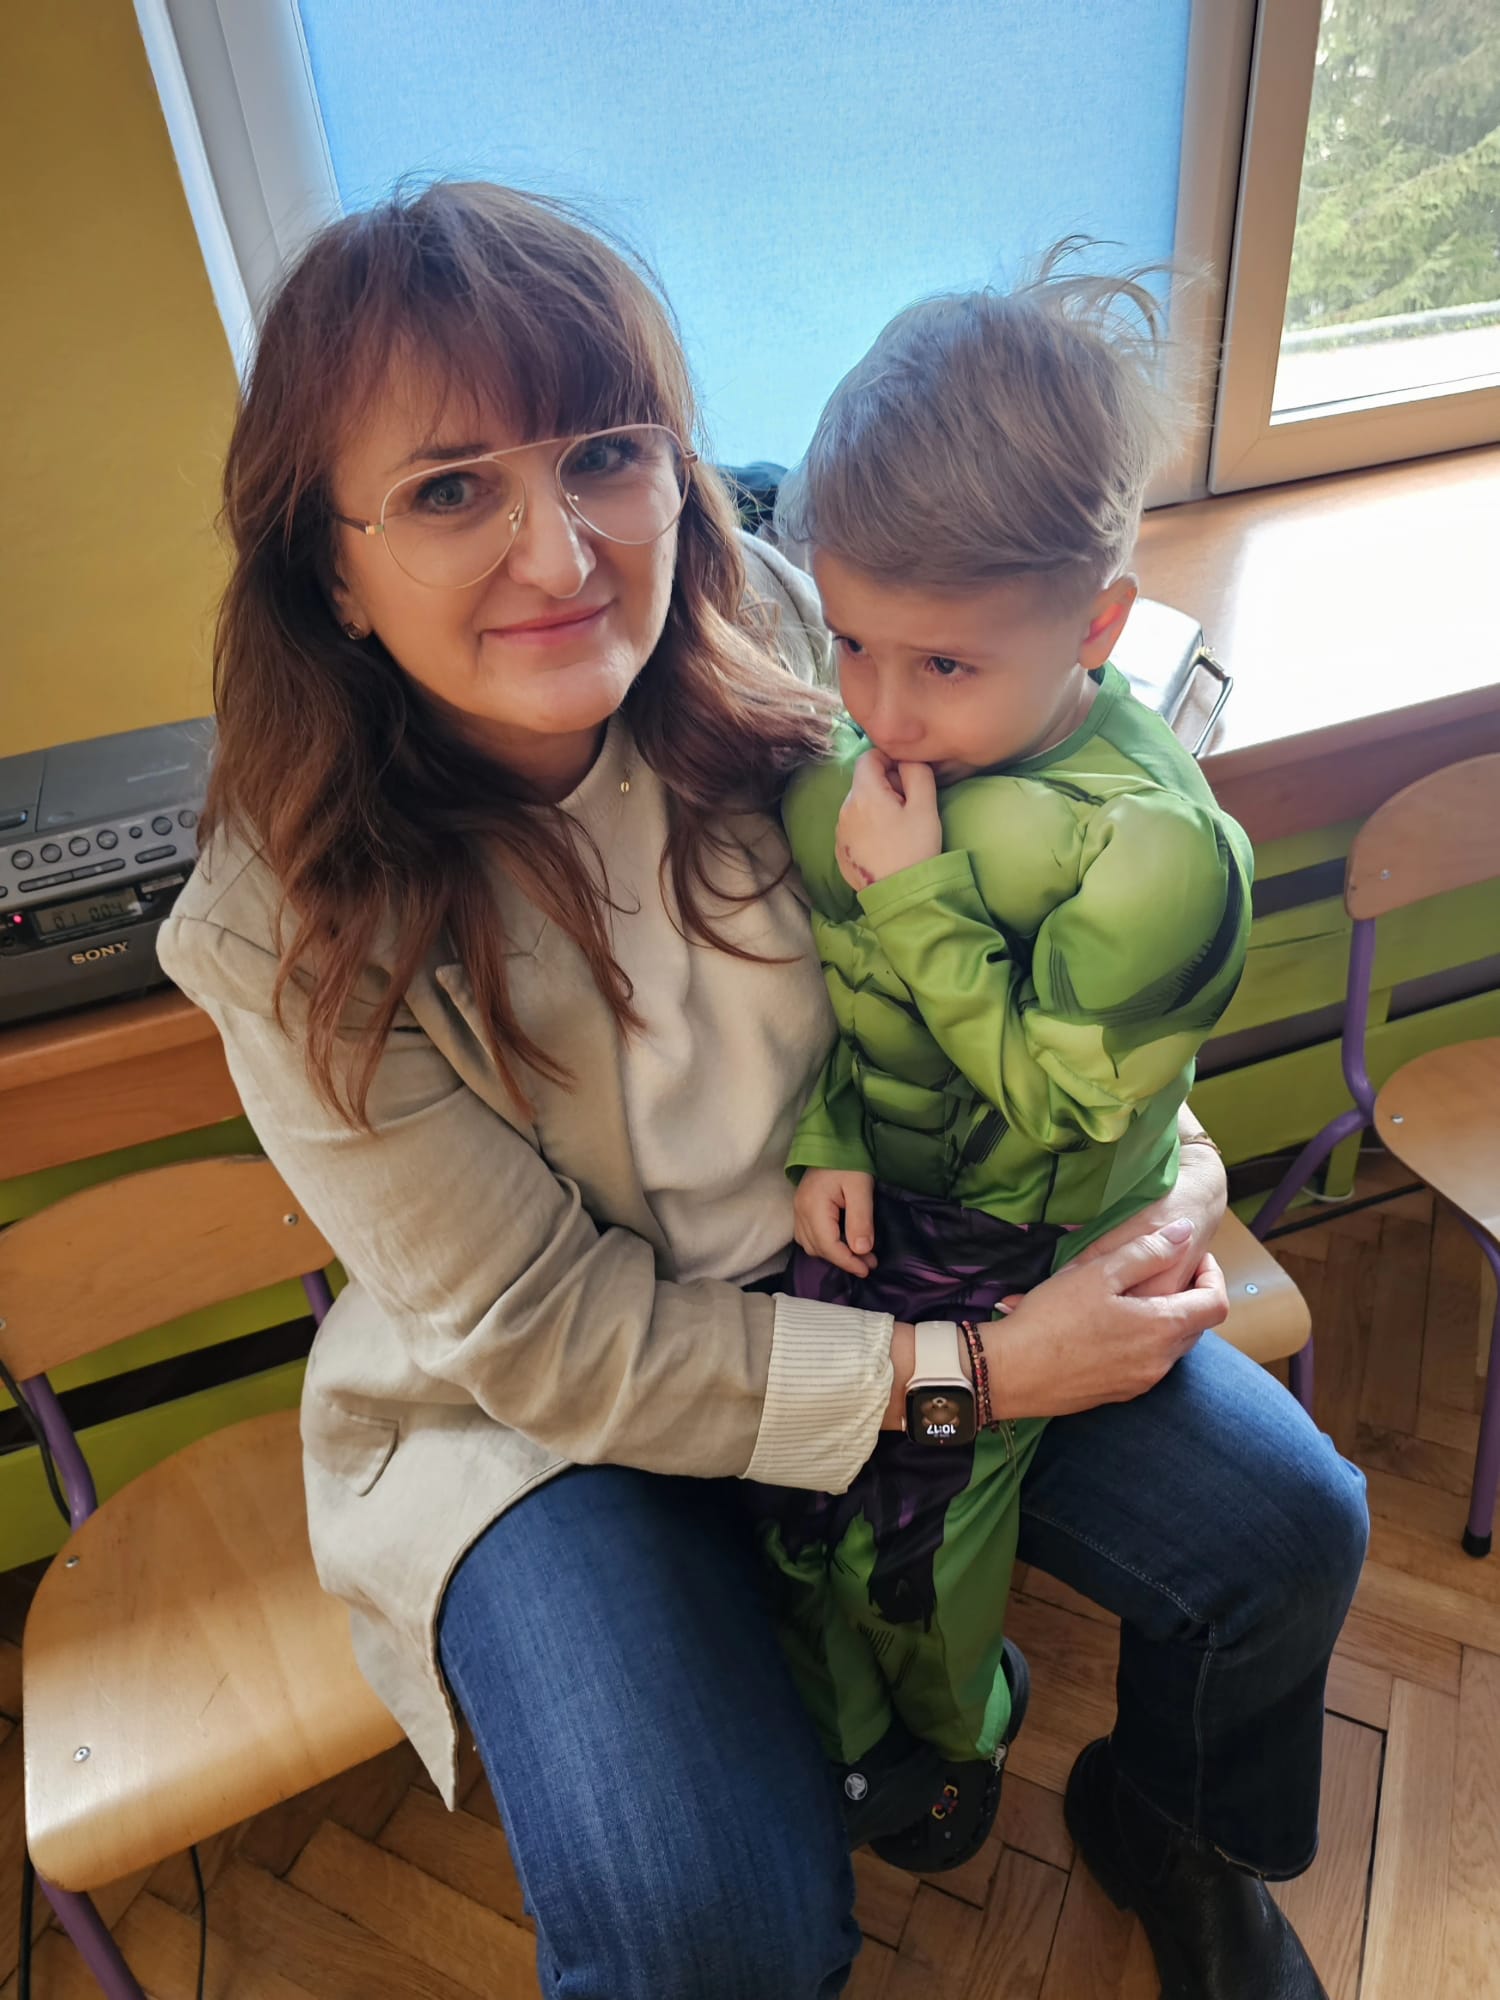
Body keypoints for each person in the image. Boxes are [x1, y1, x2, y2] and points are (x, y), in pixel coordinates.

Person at [157, 182, 1366, 2000]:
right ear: (328, 565)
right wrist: (975, 1378)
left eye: (605, 455)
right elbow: (548, 1341)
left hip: (911, 1252)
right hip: (549, 1422)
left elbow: (1053, 932)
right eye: (450, 490)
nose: (562, 557)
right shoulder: (285, 927)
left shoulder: (805, 646)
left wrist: (1165, 1157)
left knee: (1290, 1533)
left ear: (681, 471)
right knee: (702, 1923)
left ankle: (1175, 1829)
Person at [746, 264, 1254, 1876]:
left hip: (1032, 1245)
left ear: (1097, 621)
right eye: (852, 644)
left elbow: (1060, 1099)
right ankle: (850, 1741)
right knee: (799, 1514)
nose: (882, 713)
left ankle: (954, 1745)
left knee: (917, 1538)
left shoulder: (1157, 852)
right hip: (877, 1215)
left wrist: (922, 899)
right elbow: (840, 997)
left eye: (945, 667)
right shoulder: (882, 753)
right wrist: (829, 1128)